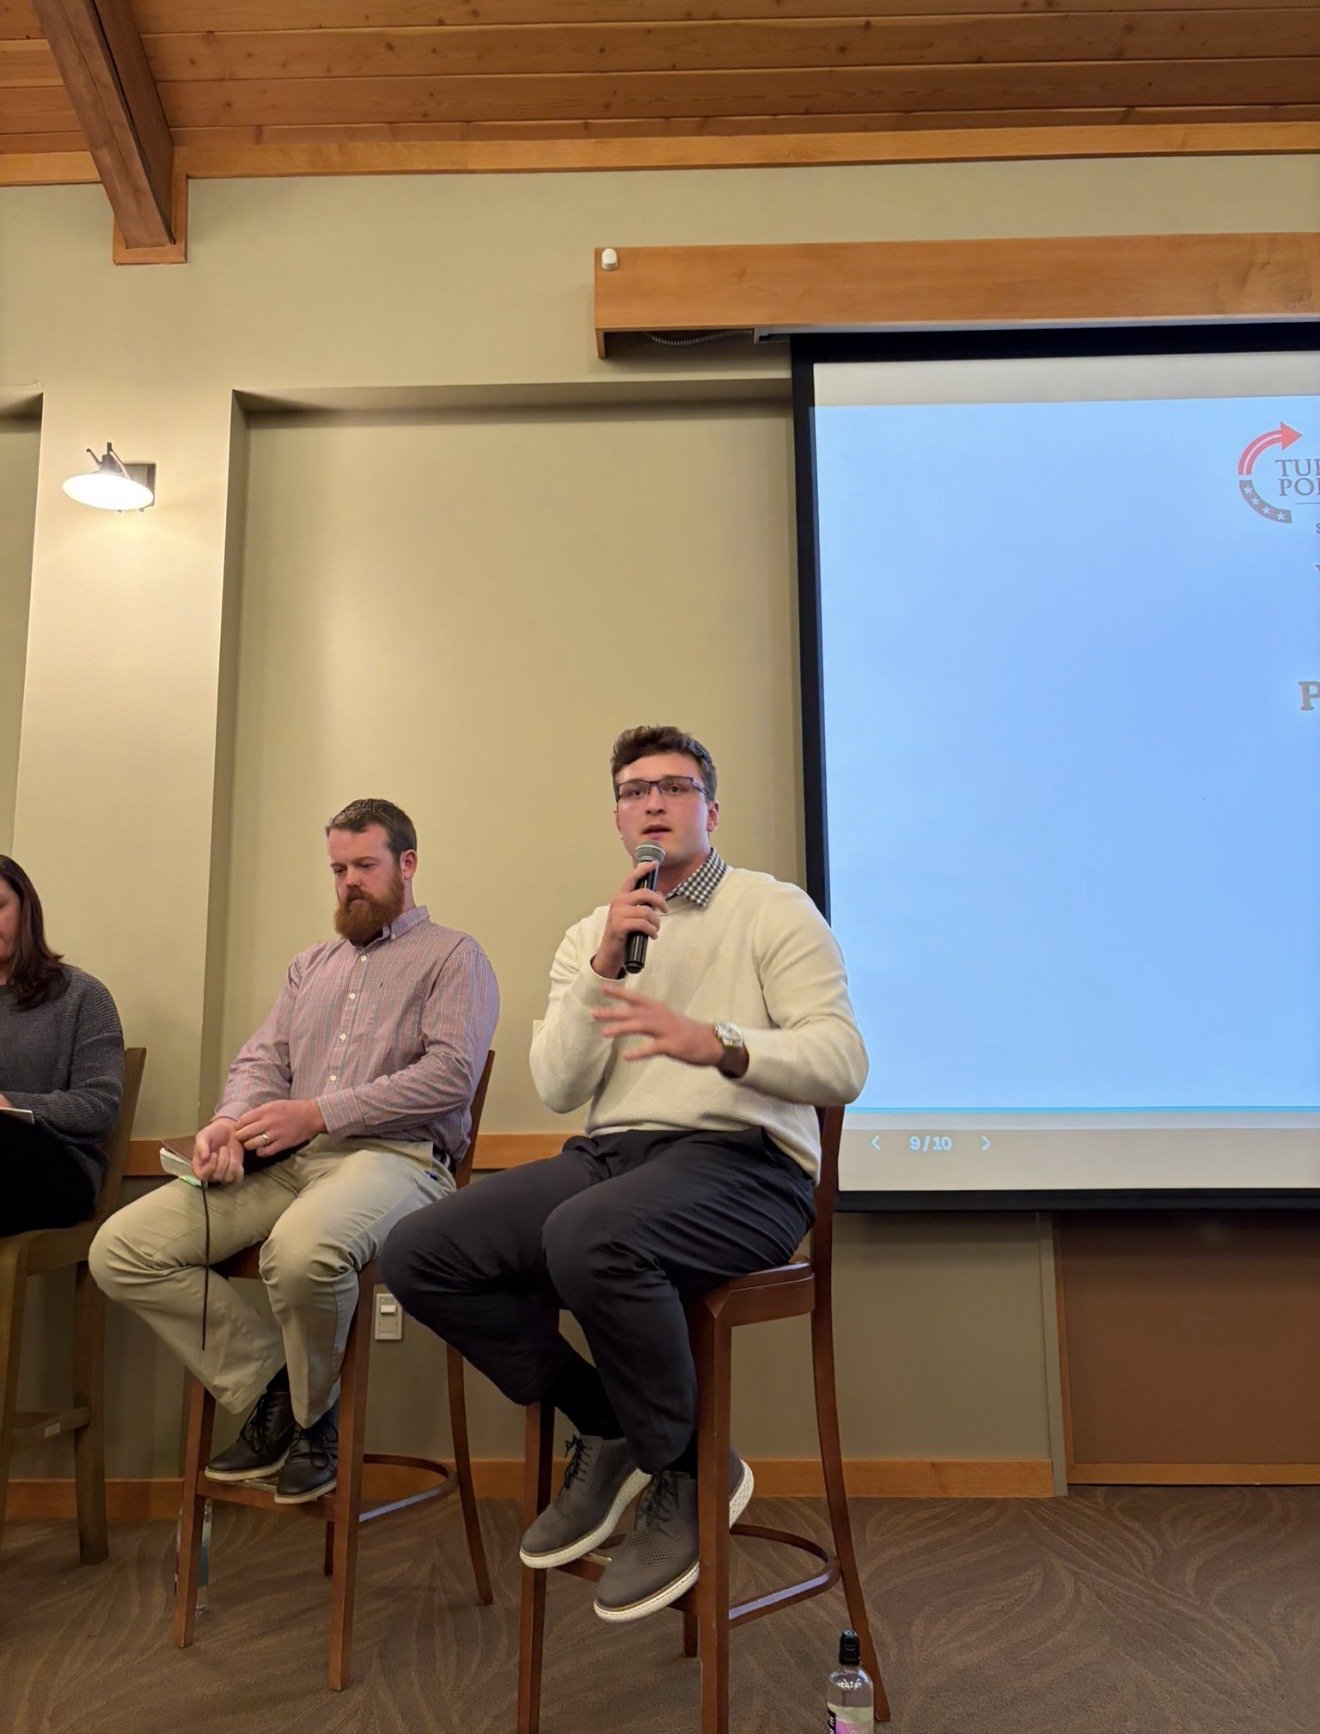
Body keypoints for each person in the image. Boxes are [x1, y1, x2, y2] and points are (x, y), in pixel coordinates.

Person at [383, 726, 867, 1623]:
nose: (655, 801)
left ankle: (686, 1469)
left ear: (710, 811)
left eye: (676, 787)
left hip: (746, 1167)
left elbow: (843, 1061)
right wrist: (603, 966)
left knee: (586, 1234)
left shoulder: (773, 909)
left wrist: (718, 1044)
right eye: (637, 789)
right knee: (418, 1250)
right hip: (615, 1156)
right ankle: (606, 1420)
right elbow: (561, 1084)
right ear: (617, 819)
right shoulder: (591, 935)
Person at [91, 799, 498, 1504]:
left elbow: (450, 1075)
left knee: (299, 1253)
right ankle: (278, 1380)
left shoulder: (453, 956)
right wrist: (226, 1123)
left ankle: (312, 1420)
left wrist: (316, 1113)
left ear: (406, 864)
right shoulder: (310, 966)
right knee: (122, 1248)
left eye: (364, 866)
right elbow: (261, 1061)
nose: (349, 883)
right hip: (286, 1167)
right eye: (338, 869)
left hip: (397, 1162)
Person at [0, 856, 125, 1239]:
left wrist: (8, 1105)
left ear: (26, 910)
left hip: (59, 1167)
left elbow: (100, 1108)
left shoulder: (82, 996)